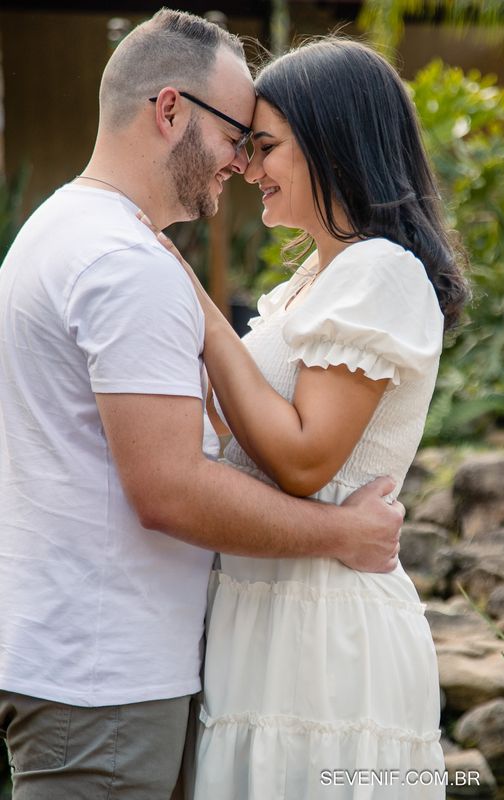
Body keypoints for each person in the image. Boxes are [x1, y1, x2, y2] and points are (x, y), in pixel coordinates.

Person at [0, 12, 404, 800]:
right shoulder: (125, 263)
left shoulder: (61, 228)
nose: (241, 162)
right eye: (235, 134)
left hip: (78, 661)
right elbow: (170, 486)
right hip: (106, 682)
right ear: (171, 111)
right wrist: (344, 532)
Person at [148, 36, 469, 800]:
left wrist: (194, 300)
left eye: (266, 146)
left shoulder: (379, 273)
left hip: (326, 628)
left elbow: (299, 460)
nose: (248, 167)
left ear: (333, 143)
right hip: (264, 613)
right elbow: (245, 442)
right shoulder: (311, 282)